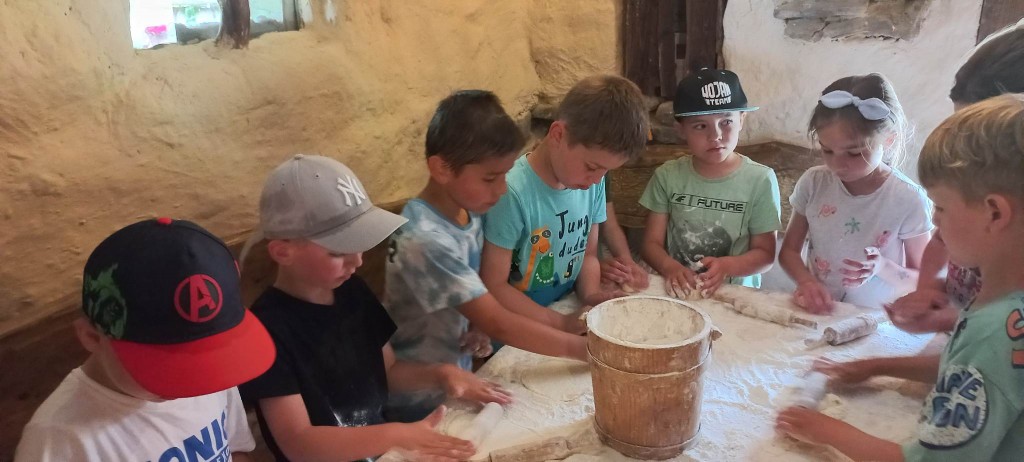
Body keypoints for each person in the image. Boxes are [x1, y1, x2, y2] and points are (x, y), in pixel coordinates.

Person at [777, 93, 1024, 462]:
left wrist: (826, 430)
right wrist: (875, 366)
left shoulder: (992, 330)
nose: (935, 221)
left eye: (941, 207)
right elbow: (969, 366)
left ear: (994, 213)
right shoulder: (998, 312)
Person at [238, 155, 504, 461]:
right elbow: (298, 443)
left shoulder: (352, 291)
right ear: (283, 252)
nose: (358, 261)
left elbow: (387, 371)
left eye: (359, 245)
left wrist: (441, 374)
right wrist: (395, 434)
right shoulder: (266, 330)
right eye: (338, 252)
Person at [15, 218, 276, 461]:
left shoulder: (213, 374)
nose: (189, 385)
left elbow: (234, 448)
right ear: (92, 337)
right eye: (167, 368)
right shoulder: (58, 439)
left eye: (203, 359)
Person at [480, 75, 649, 332]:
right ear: (558, 135)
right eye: (592, 167)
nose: (597, 180)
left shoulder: (592, 184)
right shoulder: (511, 192)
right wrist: (559, 322)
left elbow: (588, 255)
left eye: (606, 171)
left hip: (563, 305)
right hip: (515, 327)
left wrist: (591, 296)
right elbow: (494, 286)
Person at [778, 73, 931, 313]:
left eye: (854, 153)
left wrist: (882, 267)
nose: (838, 164)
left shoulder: (907, 199)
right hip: (819, 314)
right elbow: (788, 252)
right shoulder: (814, 182)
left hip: (875, 321)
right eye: (827, 151)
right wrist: (806, 282)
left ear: (889, 140)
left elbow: (924, 279)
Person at [640, 68, 781, 298]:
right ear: (681, 130)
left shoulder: (760, 180)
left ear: (741, 120)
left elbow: (765, 254)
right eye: (700, 126)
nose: (715, 135)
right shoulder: (667, 176)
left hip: (735, 298)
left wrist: (726, 266)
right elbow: (650, 244)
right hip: (681, 292)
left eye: (726, 121)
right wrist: (670, 267)